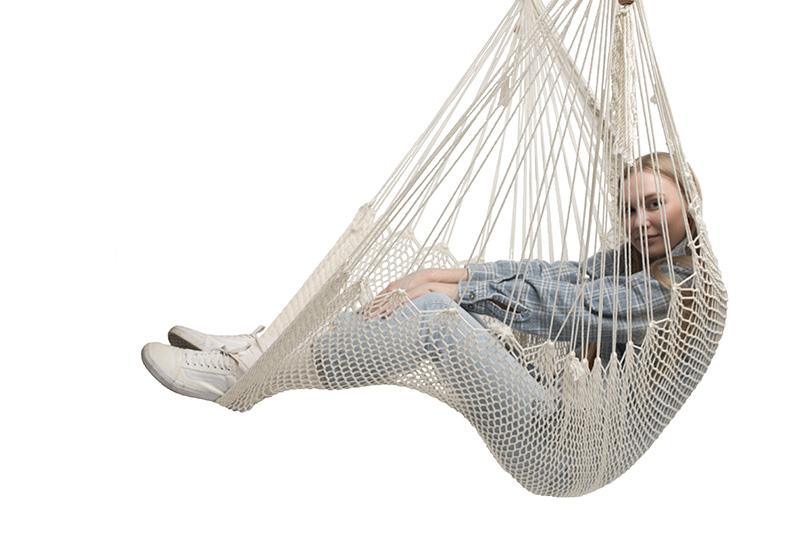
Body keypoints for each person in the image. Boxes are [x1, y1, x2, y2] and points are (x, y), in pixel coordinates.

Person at [142, 152, 698, 407]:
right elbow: (549, 276)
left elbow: (575, 310)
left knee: (436, 316)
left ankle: (249, 377)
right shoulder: (625, 261)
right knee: (423, 292)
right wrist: (446, 274)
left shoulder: (675, 287)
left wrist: (453, 291)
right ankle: (261, 349)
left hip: (562, 433)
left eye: (654, 204)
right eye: (629, 209)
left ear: (689, 203)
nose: (639, 221)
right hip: (541, 387)